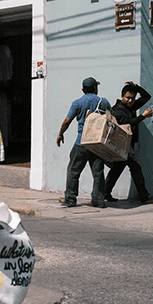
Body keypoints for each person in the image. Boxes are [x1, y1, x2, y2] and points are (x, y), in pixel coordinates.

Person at [55, 77, 113, 208]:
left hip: (81, 142)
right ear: (95, 88)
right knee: (98, 172)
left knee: (73, 171)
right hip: (97, 143)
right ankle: (98, 200)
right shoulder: (104, 102)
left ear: (83, 90)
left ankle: (70, 200)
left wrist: (60, 134)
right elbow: (112, 119)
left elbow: (67, 121)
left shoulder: (77, 103)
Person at [102, 81, 153, 205]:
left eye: (132, 98)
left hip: (128, 144)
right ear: (122, 97)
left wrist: (136, 87)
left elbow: (146, 97)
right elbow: (128, 122)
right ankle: (144, 196)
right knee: (136, 168)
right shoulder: (118, 110)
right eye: (128, 97)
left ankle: (105, 192)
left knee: (116, 170)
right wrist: (143, 116)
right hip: (122, 145)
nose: (130, 100)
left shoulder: (130, 106)